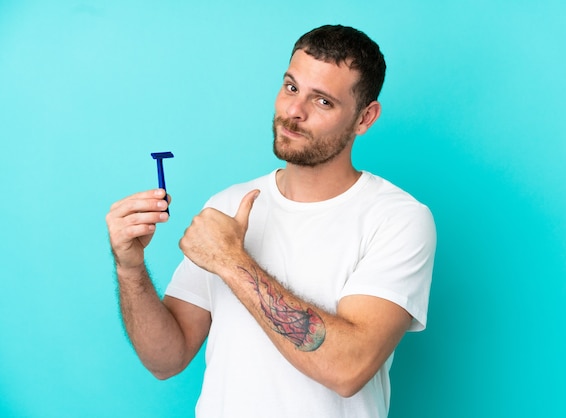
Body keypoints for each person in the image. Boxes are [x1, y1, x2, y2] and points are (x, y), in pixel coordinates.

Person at [106, 24, 436, 418]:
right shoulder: (228, 204)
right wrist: (130, 268)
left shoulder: (398, 219)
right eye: (291, 87)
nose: (293, 111)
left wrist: (231, 260)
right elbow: (166, 360)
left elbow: (348, 368)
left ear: (364, 119)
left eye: (323, 102)